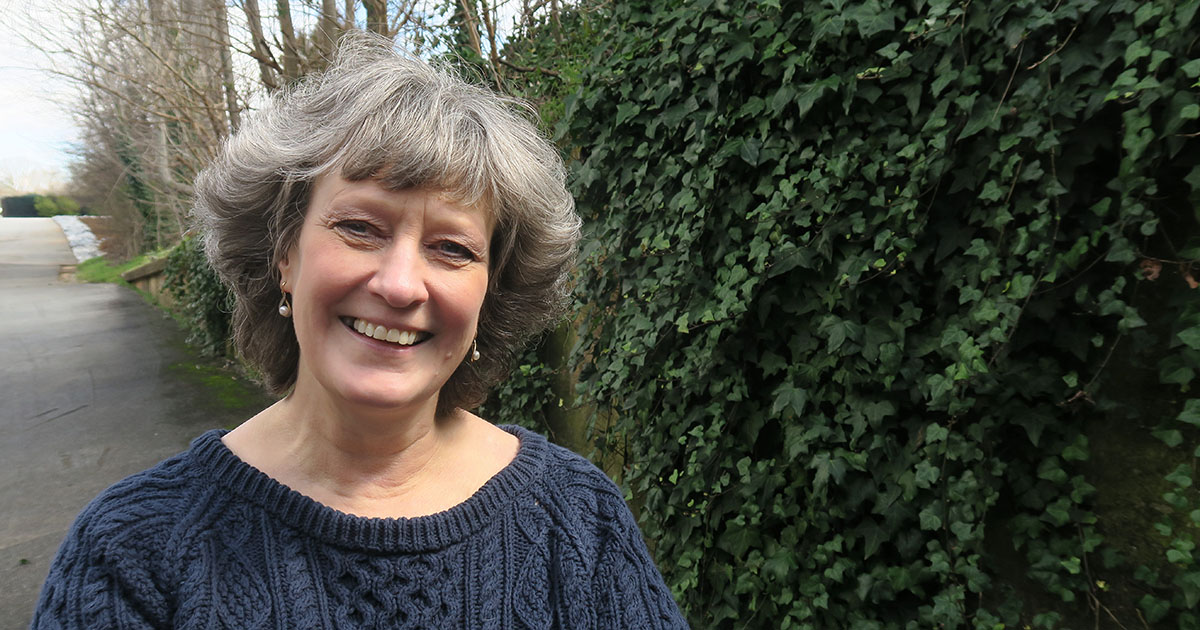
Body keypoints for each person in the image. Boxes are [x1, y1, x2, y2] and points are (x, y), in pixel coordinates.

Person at [31, 32, 689, 629]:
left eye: (453, 249)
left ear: (491, 293)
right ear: (284, 255)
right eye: (360, 228)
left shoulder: (575, 521)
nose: (401, 285)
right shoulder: (132, 552)